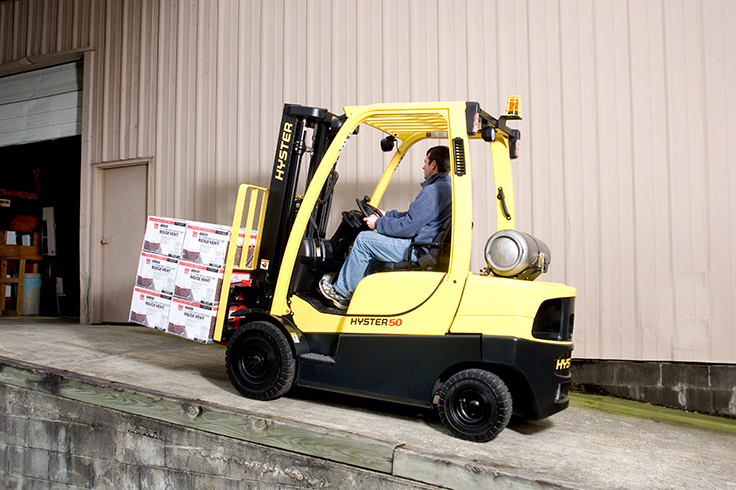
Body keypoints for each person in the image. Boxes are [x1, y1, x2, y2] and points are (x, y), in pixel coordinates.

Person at [319, 145, 452, 309]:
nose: (423, 166)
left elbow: (408, 227)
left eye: (425, 162)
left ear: (433, 164)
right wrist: (387, 214)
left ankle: (342, 294)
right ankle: (360, 292)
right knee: (374, 249)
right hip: (426, 246)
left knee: (364, 240)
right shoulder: (446, 188)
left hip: (418, 249)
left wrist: (378, 223)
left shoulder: (433, 191)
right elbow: (413, 216)